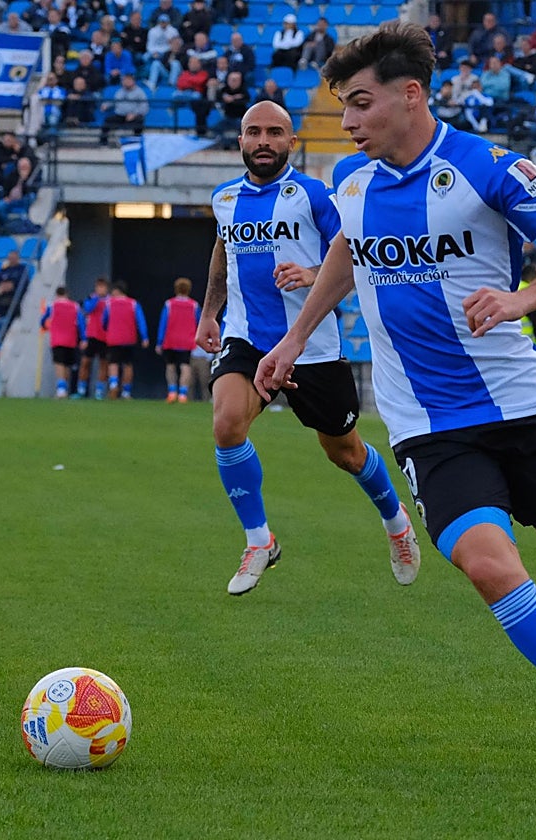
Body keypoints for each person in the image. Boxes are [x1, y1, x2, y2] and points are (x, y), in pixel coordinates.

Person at [253, 24, 536, 770]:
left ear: (410, 94)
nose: (347, 122)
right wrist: (293, 341)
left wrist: (523, 300)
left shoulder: (488, 166)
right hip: (428, 427)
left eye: (359, 103)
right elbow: (346, 253)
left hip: (522, 409)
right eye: (343, 108)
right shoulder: (351, 186)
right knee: (489, 566)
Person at [197, 99, 422, 597]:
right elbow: (222, 250)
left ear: (291, 142)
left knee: (344, 452)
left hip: (312, 347)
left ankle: (396, 520)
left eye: (274, 133)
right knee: (226, 424)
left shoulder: (315, 196)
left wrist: (313, 273)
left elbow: (359, 254)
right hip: (247, 338)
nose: (263, 142)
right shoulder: (224, 198)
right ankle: (260, 541)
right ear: (240, 140)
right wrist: (210, 312)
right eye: (253, 132)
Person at [156, 276, 201, 403]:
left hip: (171, 340)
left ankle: (172, 392)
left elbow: (163, 323)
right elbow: (199, 322)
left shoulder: (169, 304)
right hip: (187, 341)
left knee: (170, 366)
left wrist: (160, 341)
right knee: (185, 366)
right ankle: (183, 393)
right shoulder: (194, 305)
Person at [101, 281, 149, 399]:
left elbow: (104, 321)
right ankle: (126, 392)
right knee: (128, 365)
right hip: (129, 339)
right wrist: (144, 337)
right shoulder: (134, 304)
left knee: (113, 363)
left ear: (116, 291)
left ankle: (113, 386)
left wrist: (107, 328)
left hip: (114, 338)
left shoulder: (109, 304)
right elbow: (140, 321)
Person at [40, 286, 86, 399]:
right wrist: (84, 339)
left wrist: (44, 326)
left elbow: (42, 319)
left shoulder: (52, 306)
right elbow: (81, 323)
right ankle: (65, 389)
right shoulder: (75, 306)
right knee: (67, 364)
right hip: (71, 340)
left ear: (57, 295)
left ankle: (61, 390)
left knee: (59, 364)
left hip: (57, 339)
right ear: (67, 294)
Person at [77, 276, 111, 400]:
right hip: (91, 335)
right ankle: (81, 390)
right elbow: (87, 309)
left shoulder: (110, 301)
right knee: (85, 362)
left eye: (103, 286)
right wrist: (96, 298)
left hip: (105, 337)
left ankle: (99, 391)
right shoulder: (91, 298)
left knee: (103, 364)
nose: (100, 289)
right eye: (98, 286)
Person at [99, 73, 148, 145]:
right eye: (125, 80)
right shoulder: (120, 91)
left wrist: (134, 114)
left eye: (129, 80)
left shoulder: (139, 92)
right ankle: (103, 142)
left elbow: (144, 107)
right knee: (107, 120)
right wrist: (106, 105)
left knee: (139, 121)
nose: (126, 82)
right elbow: (114, 101)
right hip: (120, 115)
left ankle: (136, 142)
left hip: (133, 116)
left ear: (133, 81)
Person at [0, 249, 28, 322]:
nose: (11, 260)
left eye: (13, 258)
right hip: (1, 290)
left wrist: (9, 286)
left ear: (18, 259)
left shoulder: (22, 269)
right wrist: (2, 286)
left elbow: (21, 283)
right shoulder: (5, 269)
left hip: (13, 292)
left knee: (6, 301)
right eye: (10, 258)